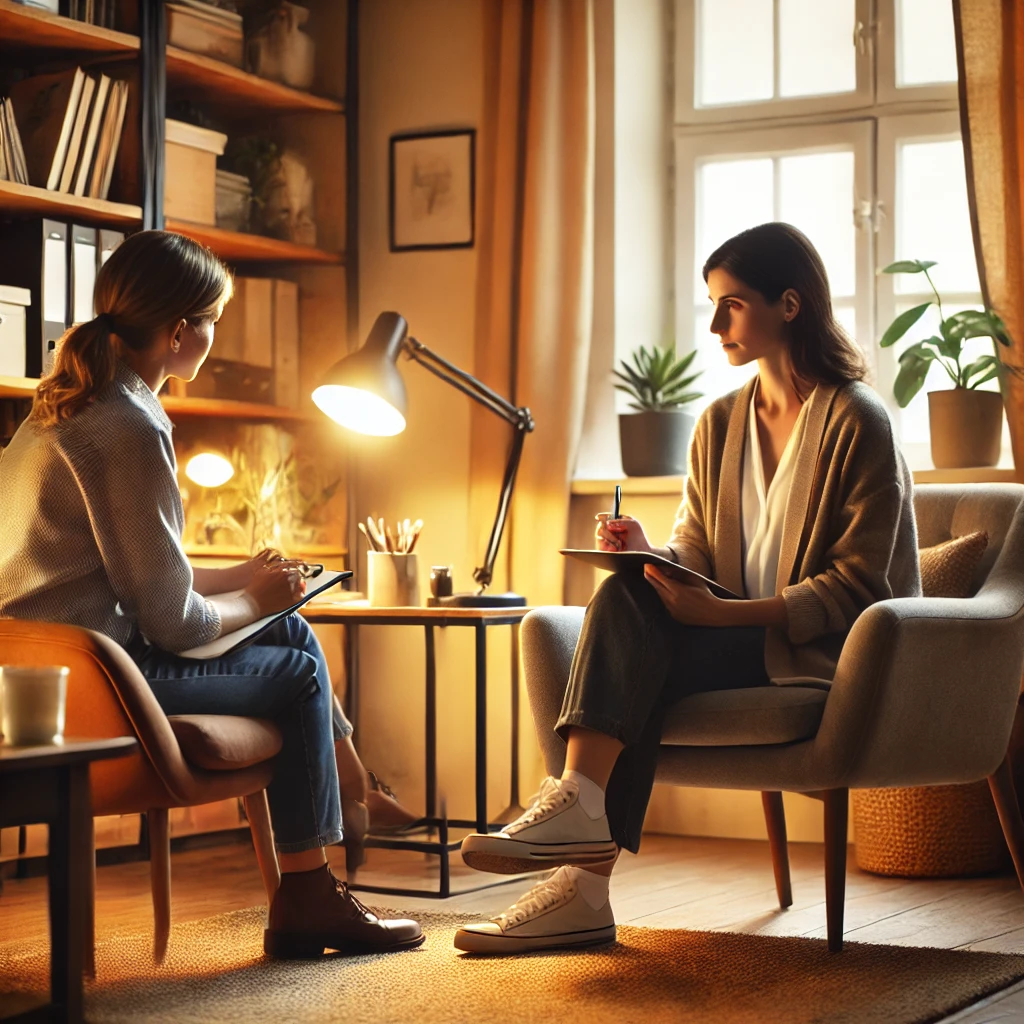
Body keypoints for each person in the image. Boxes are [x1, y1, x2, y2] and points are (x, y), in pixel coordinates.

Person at [453, 222, 921, 953]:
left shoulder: (859, 421)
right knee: (625, 595)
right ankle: (581, 842)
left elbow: (862, 588)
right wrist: (652, 554)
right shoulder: (718, 422)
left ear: (789, 304)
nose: (714, 324)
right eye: (713, 304)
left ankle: (582, 877)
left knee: (636, 659)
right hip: (727, 636)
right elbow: (699, 548)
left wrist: (722, 613)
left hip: (815, 652)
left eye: (730, 305)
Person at [0, 230, 423, 959]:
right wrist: (254, 600)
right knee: (298, 673)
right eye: (213, 320)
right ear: (178, 333)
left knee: (290, 631)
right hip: (97, 682)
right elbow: (170, 619)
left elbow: (134, 570)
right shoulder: (130, 426)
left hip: (40, 670)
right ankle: (311, 889)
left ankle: (348, 797)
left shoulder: (63, 410)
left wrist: (251, 585)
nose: (214, 336)